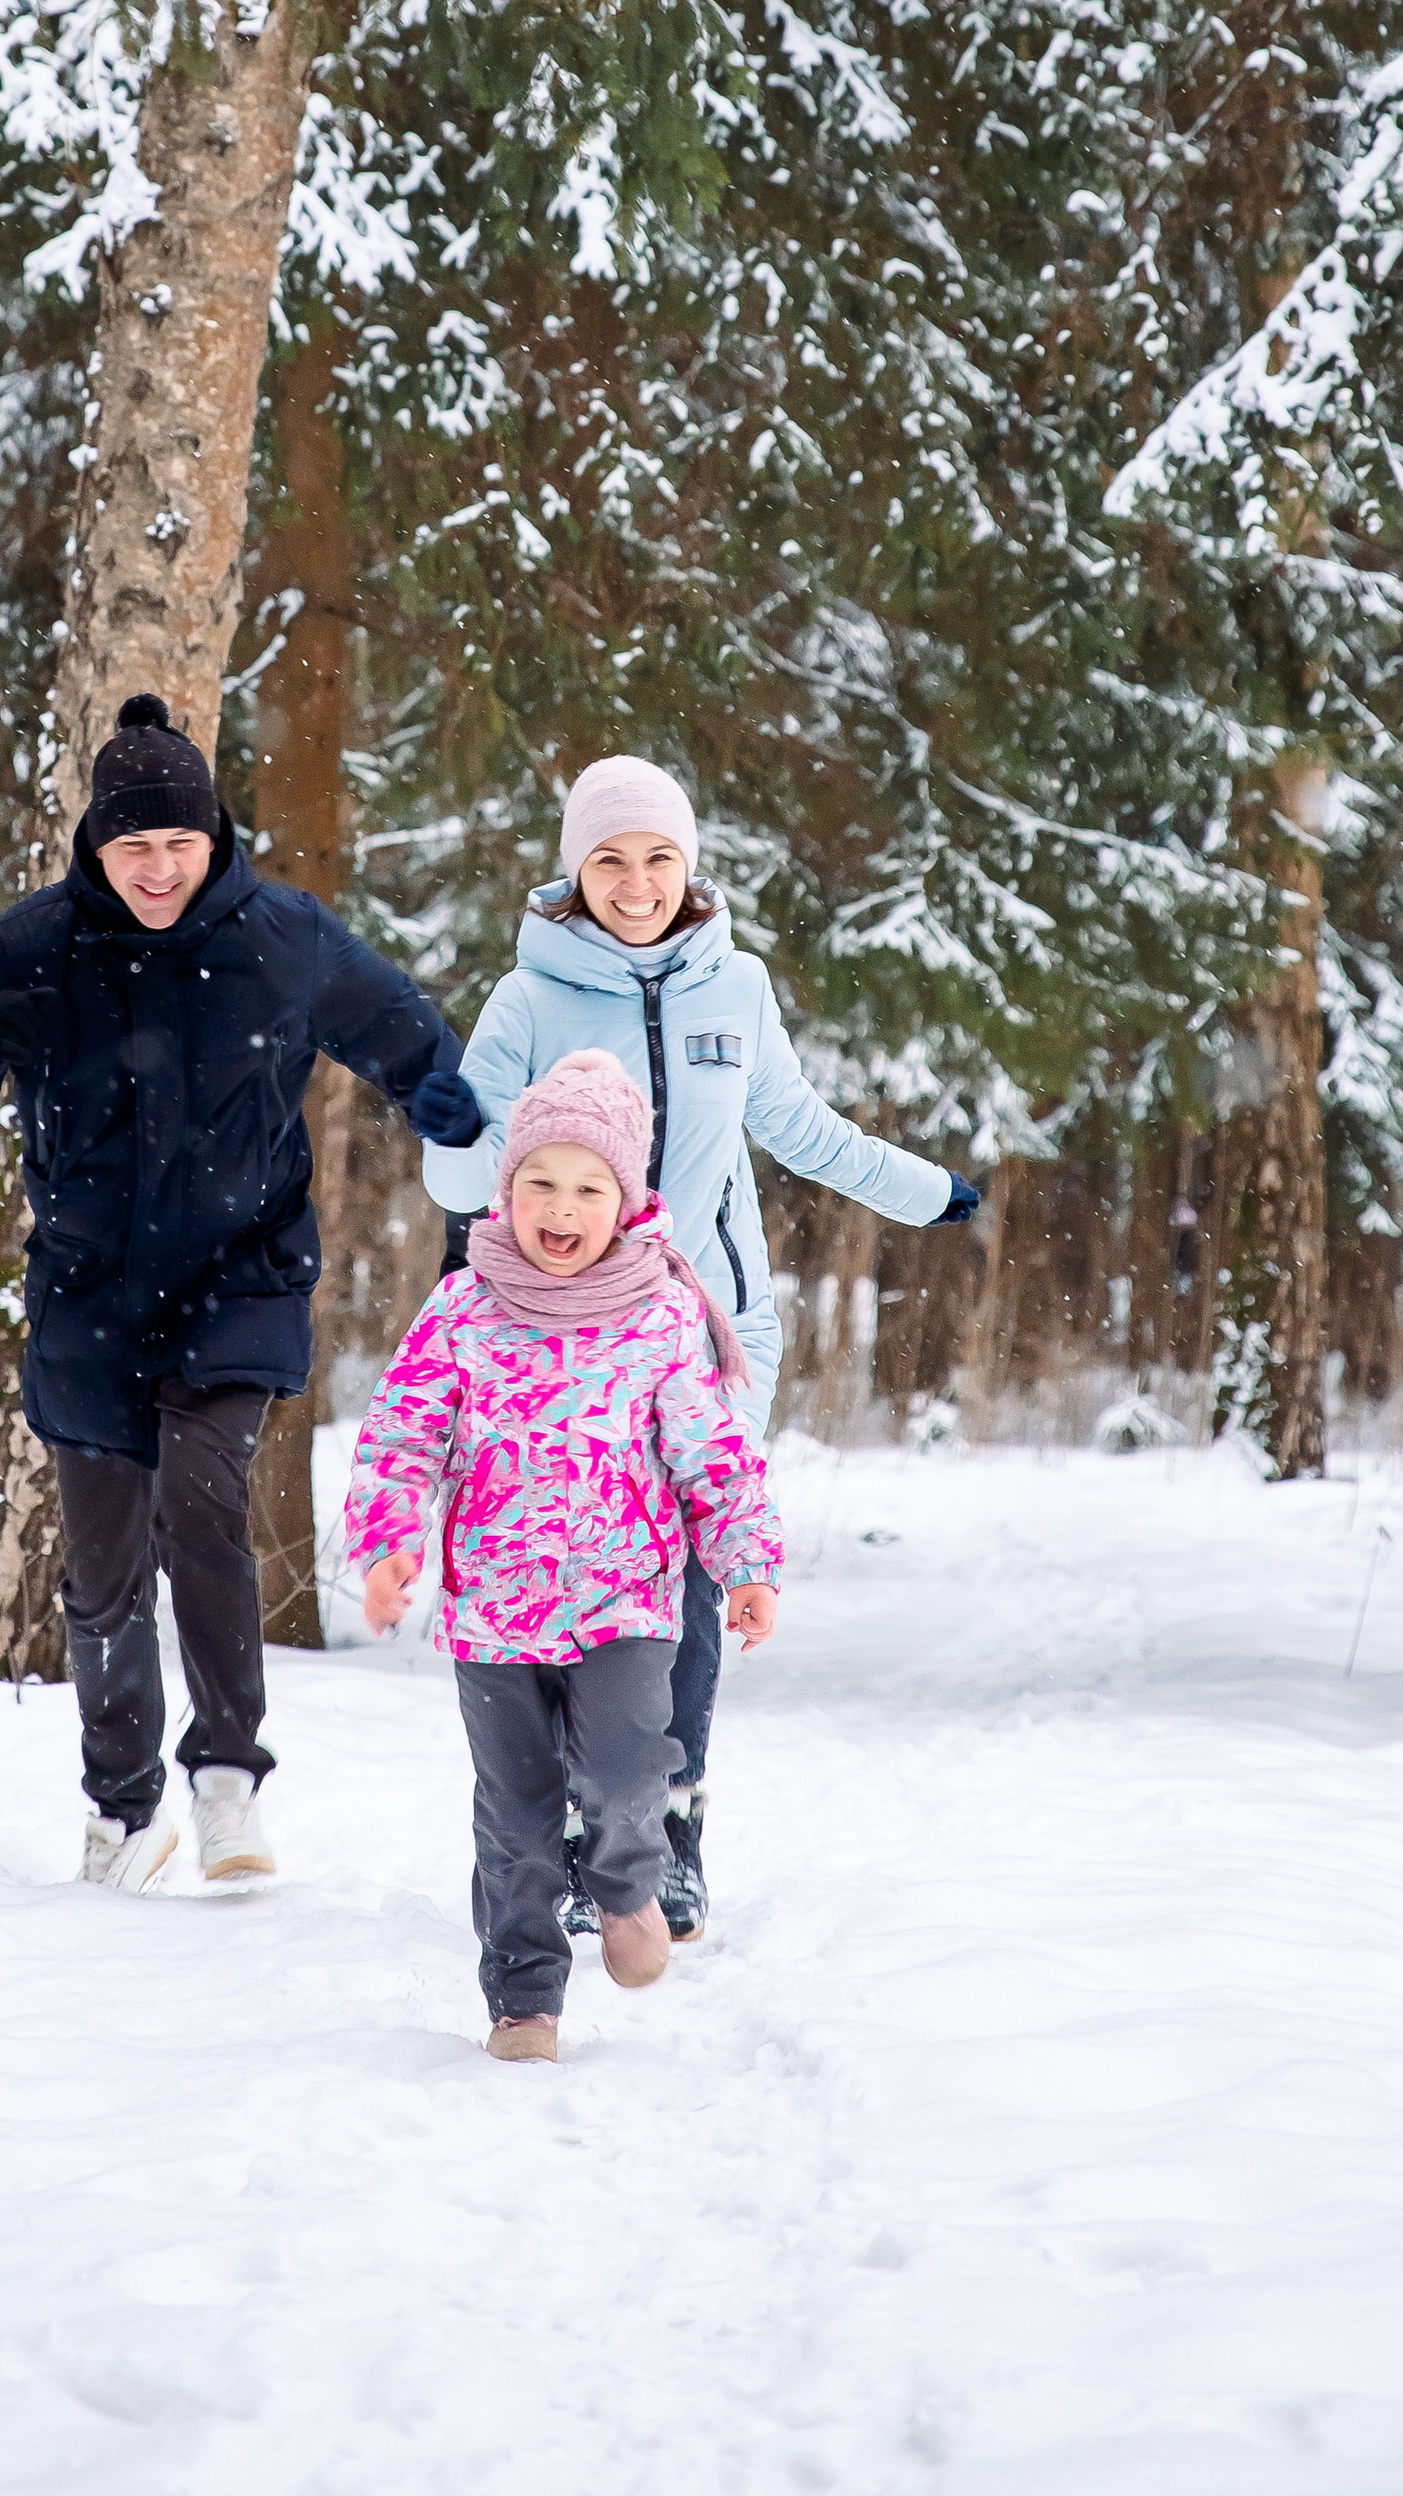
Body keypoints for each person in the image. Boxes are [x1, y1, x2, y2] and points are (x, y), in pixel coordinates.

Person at [0, 693, 485, 1893]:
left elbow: (418, 1049)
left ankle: (225, 1781)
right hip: (86, 1300)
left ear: (216, 838)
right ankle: (123, 1806)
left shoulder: (284, 937)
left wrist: (476, 1146)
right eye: (133, 848)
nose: (158, 870)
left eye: (180, 845)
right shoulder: (33, 946)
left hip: (238, 1281)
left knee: (201, 1504)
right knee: (100, 1574)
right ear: (93, 850)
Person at [419, 751, 983, 1942]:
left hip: (717, 1322)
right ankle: (585, 1823)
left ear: (691, 866)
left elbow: (793, 1125)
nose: (636, 882)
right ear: (576, 872)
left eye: (658, 858)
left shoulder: (739, 988)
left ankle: (669, 1837)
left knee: (684, 1574)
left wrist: (926, 1192)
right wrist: (469, 1140)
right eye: (610, 861)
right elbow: (457, 1164)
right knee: (579, 1571)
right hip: (564, 1327)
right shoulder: (527, 1002)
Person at [346, 1051, 782, 2062]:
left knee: (630, 1774)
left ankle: (627, 1881)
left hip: (626, 1601)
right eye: (540, 1180)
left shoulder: (661, 1312)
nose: (561, 1206)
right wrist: (385, 1546)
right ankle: (524, 2001)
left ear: (625, 1205)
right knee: (515, 1816)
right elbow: (402, 1433)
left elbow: (711, 1452)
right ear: (505, 1192)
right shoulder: (462, 1307)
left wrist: (746, 1564)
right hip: (493, 1614)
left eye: (589, 1187)